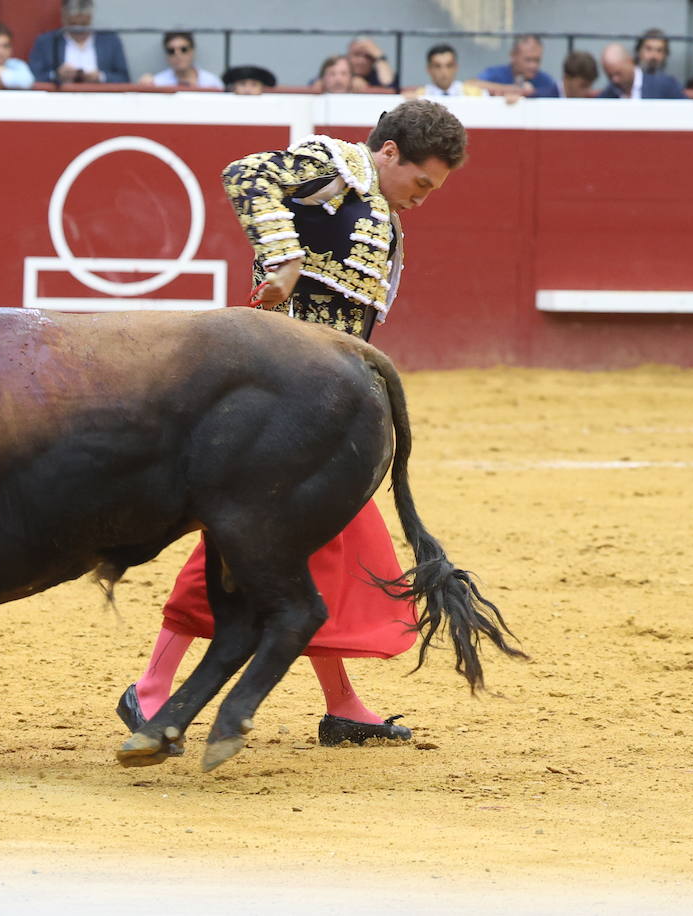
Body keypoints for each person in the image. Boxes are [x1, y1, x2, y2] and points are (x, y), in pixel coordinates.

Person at [117, 99, 469, 750]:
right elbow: (247, 172)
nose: (421, 198)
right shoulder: (336, 167)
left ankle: (343, 704)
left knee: (319, 551)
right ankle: (151, 687)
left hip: (321, 413)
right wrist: (281, 260)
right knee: (250, 544)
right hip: (278, 405)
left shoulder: (379, 209)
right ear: (390, 152)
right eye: (420, 182)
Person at [28, 0, 129, 85]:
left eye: (83, 24)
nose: (78, 29)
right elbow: (32, 78)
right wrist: (55, 75)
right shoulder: (46, 42)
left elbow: (124, 79)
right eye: (73, 24)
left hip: (102, 98)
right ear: (64, 18)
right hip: (59, 99)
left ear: (90, 18)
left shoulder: (110, 41)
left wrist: (101, 77)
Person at [476, 34, 560, 98]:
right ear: (513, 56)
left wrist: (532, 93)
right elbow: (473, 85)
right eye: (528, 60)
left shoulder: (545, 80)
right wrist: (513, 90)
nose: (533, 66)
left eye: (537, 60)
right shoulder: (496, 74)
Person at [599, 43, 684, 99]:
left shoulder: (666, 86)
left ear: (630, 62)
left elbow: (686, 113)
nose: (615, 79)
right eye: (609, 76)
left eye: (618, 73)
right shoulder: (607, 95)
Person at [139, 31, 222, 89]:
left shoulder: (212, 82)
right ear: (167, 55)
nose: (178, 55)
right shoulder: (157, 83)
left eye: (183, 49)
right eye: (171, 51)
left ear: (192, 51)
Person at [404, 43, 486, 98]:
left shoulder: (476, 95)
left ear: (456, 67)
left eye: (449, 65)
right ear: (428, 69)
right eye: (437, 66)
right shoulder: (418, 97)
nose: (444, 71)